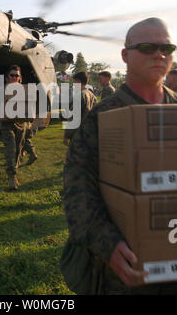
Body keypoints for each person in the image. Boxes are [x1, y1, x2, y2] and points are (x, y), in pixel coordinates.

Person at [63, 17, 177, 295]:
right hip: (126, 267)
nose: (160, 55)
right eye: (148, 47)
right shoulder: (104, 117)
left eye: (167, 48)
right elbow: (77, 188)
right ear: (125, 55)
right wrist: (108, 244)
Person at [0, 65, 28, 191]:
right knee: (11, 149)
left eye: (17, 75)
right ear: (7, 78)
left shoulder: (26, 91)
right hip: (7, 125)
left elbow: (31, 107)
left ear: (20, 78)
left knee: (18, 151)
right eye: (12, 75)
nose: (15, 77)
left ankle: (14, 172)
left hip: (22, 124)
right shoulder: (1, 91)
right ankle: (11, 176)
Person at [63, 71, 97, 146]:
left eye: (74, 81)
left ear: (78, 81)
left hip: (78, 134)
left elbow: (73, 118)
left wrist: (67, 135)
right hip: (89, 132)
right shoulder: (92, 95)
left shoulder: (79, 95)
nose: (73, 84)